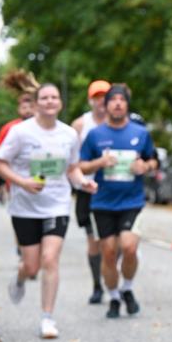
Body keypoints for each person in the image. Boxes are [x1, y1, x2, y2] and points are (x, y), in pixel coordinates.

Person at [0, 83, 98, 339]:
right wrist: (23, 183)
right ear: (37, 103)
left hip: (57, 204)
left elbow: (72, 168)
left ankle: (47, 318)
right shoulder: (20, 132)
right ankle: (21, 277)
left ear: (60, 103)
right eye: (45, 97)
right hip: (24, 207)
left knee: (50, 259)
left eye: (54, 97)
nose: (50, 101)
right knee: (32, 267)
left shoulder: (68, 135)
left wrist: (83, 183)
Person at [79, 84, 158, 319]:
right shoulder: (95, 135)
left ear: (126, 104)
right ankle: (113, 296)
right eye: (112, 100)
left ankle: (127, 289)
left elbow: (153, 162)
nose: (117, 104)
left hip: (131, 201)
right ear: (106, 106)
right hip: (102, 203)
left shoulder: (140, 133)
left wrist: (144, 166)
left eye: (121, 100)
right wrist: (99, 163)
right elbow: (81, 166)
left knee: (130, 247)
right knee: (109, 253)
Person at [72, 79, 111, 304]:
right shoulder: (80, 125)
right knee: (93, 241)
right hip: (89, 189)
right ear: (90, 100)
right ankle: (97, 285)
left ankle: (111, 277)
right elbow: (73, 160)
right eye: (96, 97)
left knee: (112, 242)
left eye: (104, 96)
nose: (101, 102)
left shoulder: (119, 122)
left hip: (114, 188)